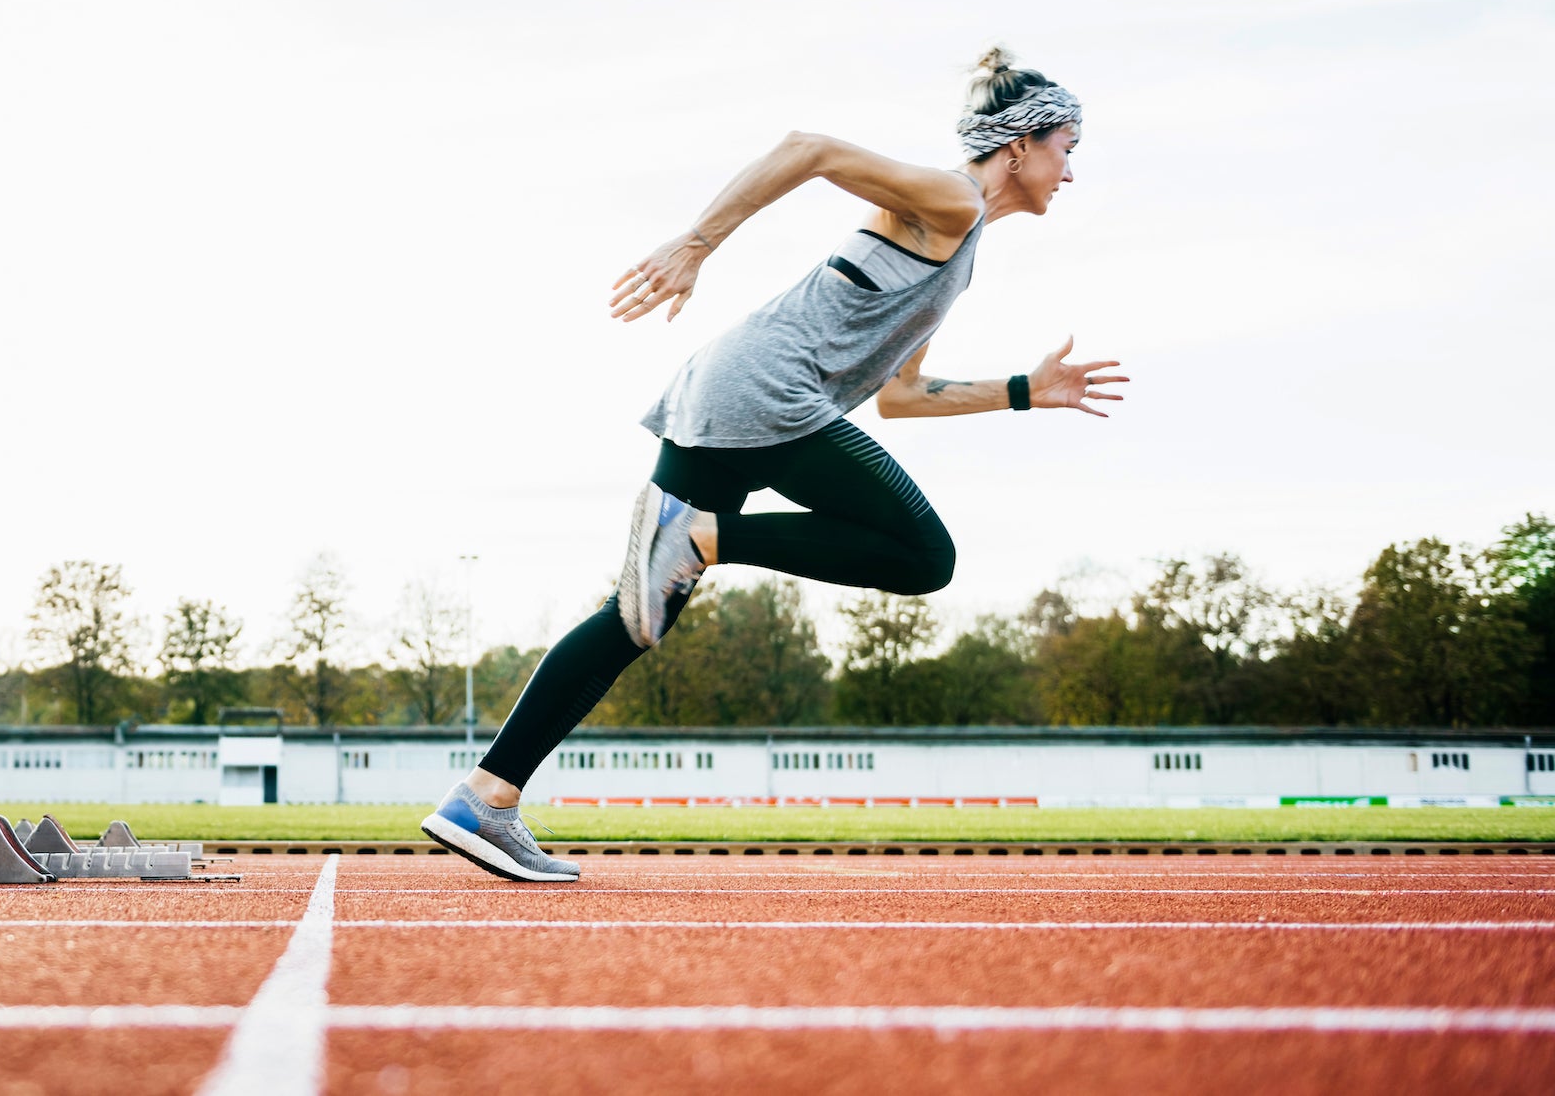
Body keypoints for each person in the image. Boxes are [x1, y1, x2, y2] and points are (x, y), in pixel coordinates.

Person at [420, 48, 1125, 881]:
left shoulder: (960, 247)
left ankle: (483, 797)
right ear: (1019, 147)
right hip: (768, 391)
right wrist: (694, 245)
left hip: (737, 392)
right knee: (924, 556)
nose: (1070, 172)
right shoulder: (953, 199)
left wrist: (1021, 391)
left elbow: (899, 395)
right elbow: (809, 148)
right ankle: (708, 537)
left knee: (636, 615)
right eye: (1066, 148)